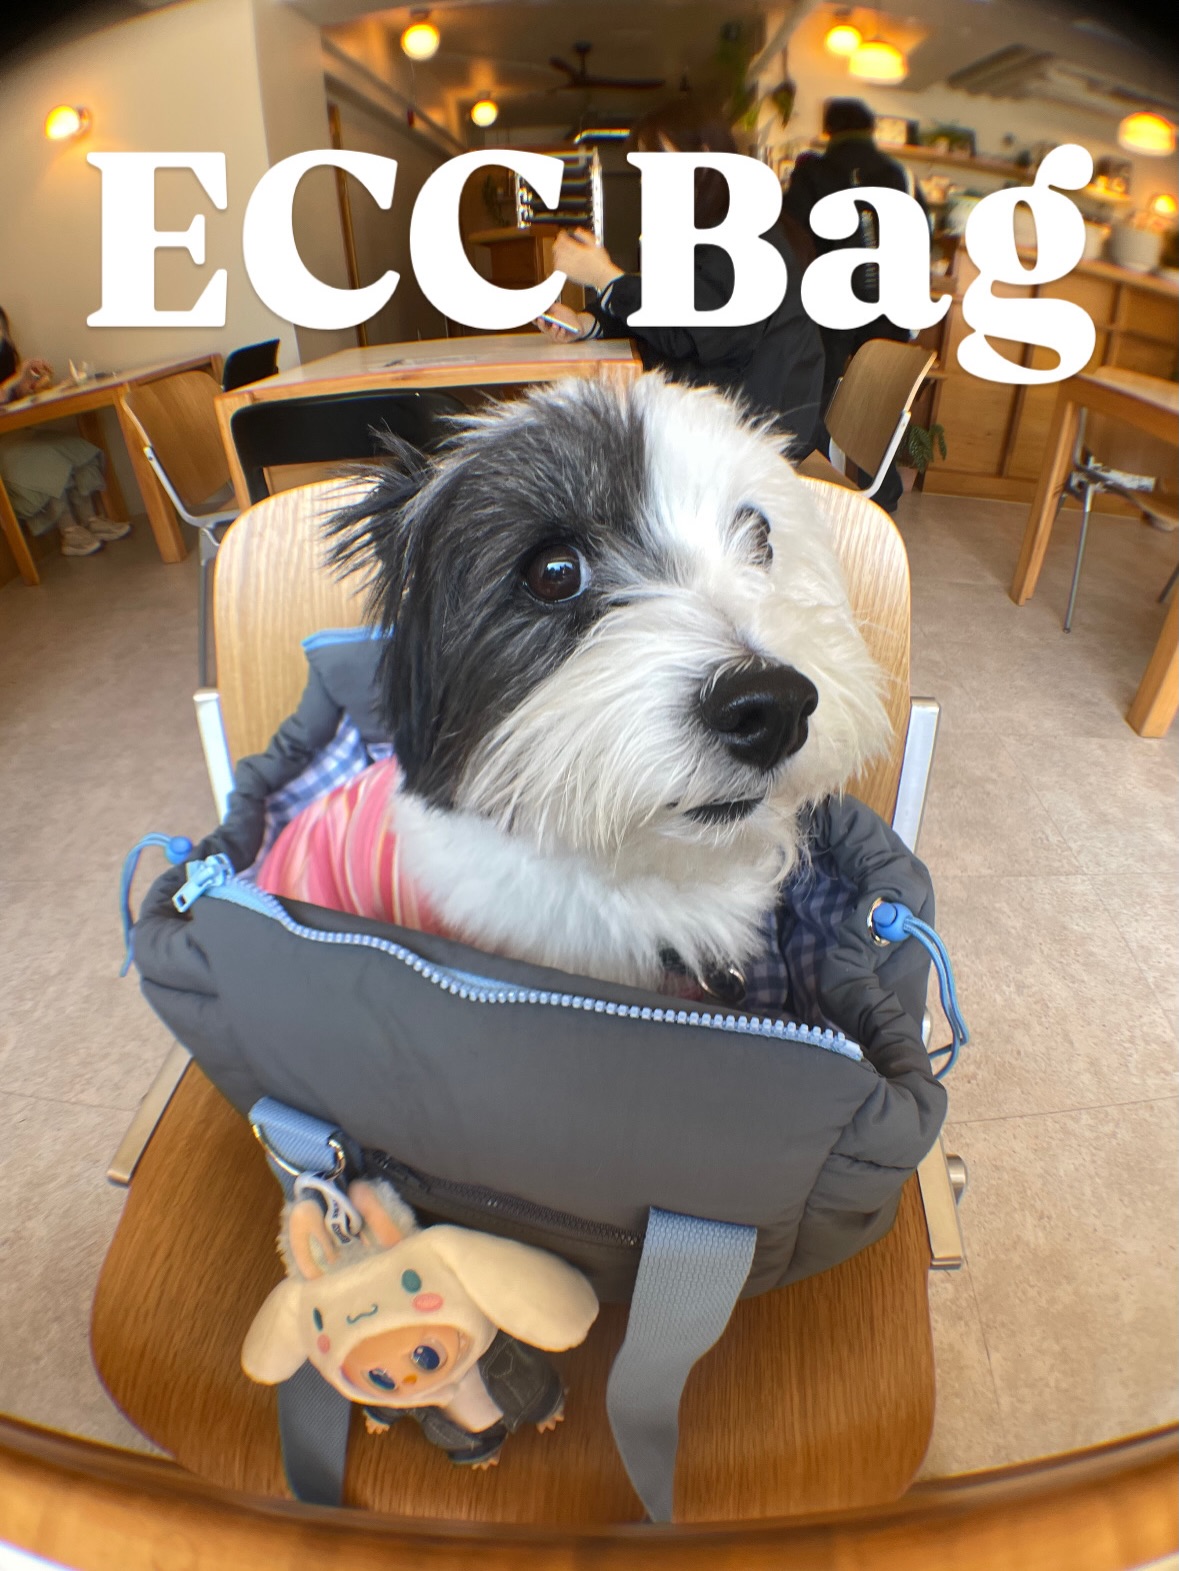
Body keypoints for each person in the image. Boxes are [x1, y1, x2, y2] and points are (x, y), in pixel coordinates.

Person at [535, 96, 825, 460]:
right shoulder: (711, 226)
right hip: (726, 416)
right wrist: (586, 323)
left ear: (702, 156)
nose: (647, 180)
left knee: (590, 446)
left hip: (755, 436)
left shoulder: (745, 233)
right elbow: (670, 316)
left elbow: (694, 329)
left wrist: (605, 278)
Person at [783, 98, 927, 510]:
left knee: (818, 388)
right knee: (879, 397)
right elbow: (919, 237)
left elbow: (791, 237)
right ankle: (882, 491)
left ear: (829, 129)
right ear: (870, 129)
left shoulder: (813, 173)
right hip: (888, 302)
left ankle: (812, 482)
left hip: (828, 301)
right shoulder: (896, 175)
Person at [0, 305, 130, 557]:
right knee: (46, 457)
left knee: (75, 449)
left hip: (19, 432)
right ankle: (70, 532)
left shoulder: (4, 355)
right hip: (4, 443)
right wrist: (17, 376)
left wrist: (29, 383)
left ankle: (91, 520)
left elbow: (12, 397)